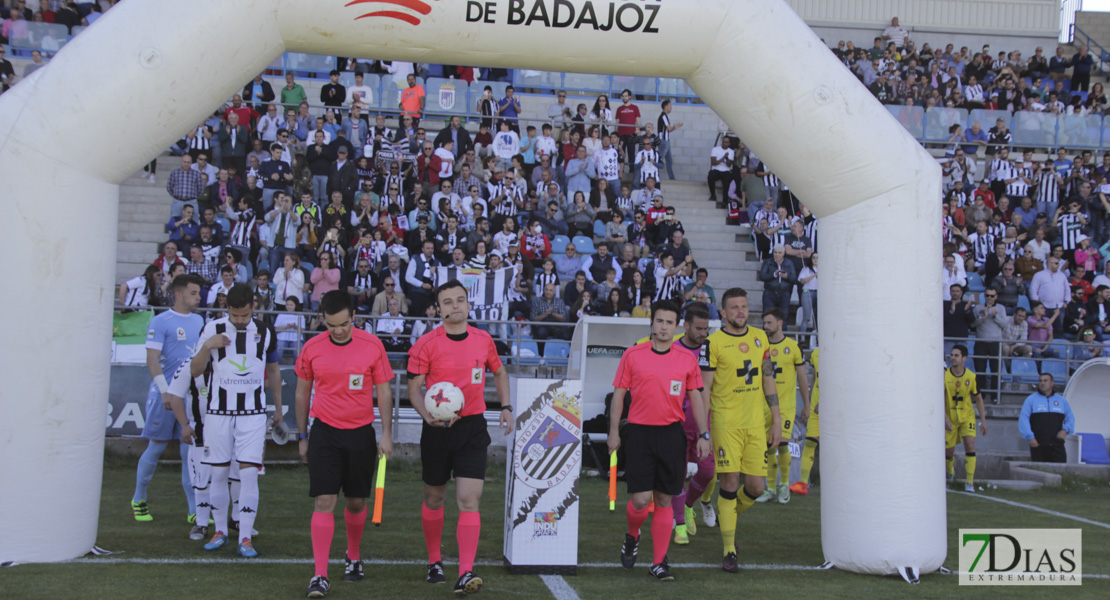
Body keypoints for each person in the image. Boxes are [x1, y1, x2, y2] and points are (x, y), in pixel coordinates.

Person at [406, 280, 512, 595]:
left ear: (468, 304)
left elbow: (500, 371)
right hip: (438, 429)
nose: (455, 306)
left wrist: (506, 406)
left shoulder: (483, 340)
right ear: (439, 308)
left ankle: (465, 572)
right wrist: (427, 416)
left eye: (460, 300)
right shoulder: (426, 343)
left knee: (469, 500)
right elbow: (414, 388)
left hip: (472, 428)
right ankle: (434, 560)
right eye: (448, 302)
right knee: (434, 498)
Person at [295, 290, 395, 598]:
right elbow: (301, 393)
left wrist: (387, 434)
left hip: (360, 433)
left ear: (354, 316)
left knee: (356, 502)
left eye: (342, 324)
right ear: (322, 320)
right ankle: (320, 575)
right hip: (324, 432)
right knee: (324, 502)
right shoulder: (312, 348)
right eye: (330, 325)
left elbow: (384, 392)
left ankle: (353, 556)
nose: (337, 330)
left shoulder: (372, 345)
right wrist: (302, 436)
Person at [608, 300, 709, 581]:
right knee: (640, 500)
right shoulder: (633, 354)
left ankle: (659, 563)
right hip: (639, 434)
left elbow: (697, 398)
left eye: (669, 322)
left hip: (671, 435)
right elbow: (618, 395)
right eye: (660, 321)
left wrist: (704, 434)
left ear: (677, 327)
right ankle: (632, 534)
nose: (664, 327)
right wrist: (614, 431)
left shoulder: (686, 359)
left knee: (664, 499)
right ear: (652, 323)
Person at [190, 284, 283, 558]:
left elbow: (274, 370)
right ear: (226, 309)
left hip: (253, 414)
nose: (239, 321)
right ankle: (220, 531)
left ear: (253, 308)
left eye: (244, 316)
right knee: (218, 473)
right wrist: (208, 346)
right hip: (218, 413)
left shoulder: (265, 331)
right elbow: (195, 370)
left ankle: (245, 537)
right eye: (234, 315)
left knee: (248, 474)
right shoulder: (212, 329)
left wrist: (278, 409)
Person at [702, 288, 780, 573]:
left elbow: (768, 379)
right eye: (734, 307)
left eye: (744, 307)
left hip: (755, 424)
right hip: (726, 423)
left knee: (757, 488)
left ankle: (727, 514)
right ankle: (729, 550)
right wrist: (705, 430)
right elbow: (705, 388)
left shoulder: (760, 338)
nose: (740, 312)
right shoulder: (713, 343)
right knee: (730, 483)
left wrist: (776, 417)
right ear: (723, 313)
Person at [131, 274, 205, 525]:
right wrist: (164, 390)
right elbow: (152, 359)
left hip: (189, 397)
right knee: (157, 447)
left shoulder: (199, 321)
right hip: (165, 394)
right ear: (179, 294)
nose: (198, 297)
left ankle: (194, 509)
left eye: (198, 293)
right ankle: (139, 498)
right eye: (193, 293)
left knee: (189, 454)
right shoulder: (161, 321)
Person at [668, 304, 715, 545]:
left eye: (706, 329)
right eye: (699, 328)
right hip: (675, 423)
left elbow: (709, 386)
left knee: (707, 471)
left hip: (701, 424)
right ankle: (680, 526)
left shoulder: (710, 349)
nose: (703, 333)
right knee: (677, 476)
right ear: (685, 326)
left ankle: (688, 505)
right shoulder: (672, 348)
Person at [757, 308, 810, 504]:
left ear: (780, 323)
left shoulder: (793, 347)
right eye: (764, 323)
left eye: (769, 323)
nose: (765, 327)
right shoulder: (761, 347)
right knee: (769, 447)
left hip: (786, 407)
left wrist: (806, 405)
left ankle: (784, 485)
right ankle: (770, 488)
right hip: (764, 406)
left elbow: (803, 378)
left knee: (783, 444)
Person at [944, 344, 987, 493]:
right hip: (950, 417)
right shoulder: (944, 375)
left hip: (967, 416)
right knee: (948, 452)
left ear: (964, 358)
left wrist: (983, 421)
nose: (953, 358)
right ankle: (950, 472)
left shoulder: (971, 376)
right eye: (952, 355)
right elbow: (937, 398)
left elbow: (979, 398)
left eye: (956, 355)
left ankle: (969, 481)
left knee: (970, 445)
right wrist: (944, 418)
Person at [1018, 373, 1075, 463]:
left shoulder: (1061, 400)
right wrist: (1030, 437)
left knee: (1060, 472)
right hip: (1038, 445)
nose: (1042, 383)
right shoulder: (1031, 400)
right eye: (1040, 381)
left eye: (1045, 380)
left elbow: (1070, 418)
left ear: (1052, 383)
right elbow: (1023, 419)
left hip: (1057, 445)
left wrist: (1065, 430)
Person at [789, 346, 819, 497]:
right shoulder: (816, 354)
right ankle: (802, 484)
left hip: (834, 410)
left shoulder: (842, 355)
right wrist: (810, 402)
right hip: (816, 408)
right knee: (809, 444)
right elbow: (814, 378)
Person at [972, 287, 1009, 404]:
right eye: (987, 295)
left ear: (996, 297)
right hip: (981, 342)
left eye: (992, 296)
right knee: (980, 370)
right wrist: (982, 318)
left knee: (996, 371)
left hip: (995, 343)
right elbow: (972, 324)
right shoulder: (978, 308)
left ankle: (995, 396)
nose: (989, 298)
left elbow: (1005, 325)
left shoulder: (1001, 308)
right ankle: (980, 396)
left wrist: (995, 316)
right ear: (984, 296)